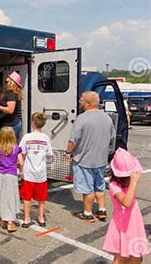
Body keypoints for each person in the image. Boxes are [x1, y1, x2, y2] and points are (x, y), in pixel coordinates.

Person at [66, 91, 115, 222]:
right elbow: (112, 137)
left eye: (81, 100)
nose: (79, 102)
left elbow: (73, 141)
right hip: (101, 160)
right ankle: (102, 210)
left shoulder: (81, 118)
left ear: (88, 103)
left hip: (84, 160)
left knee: (87, 188)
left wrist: (68, 152)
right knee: (99, 185)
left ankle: (87, 213)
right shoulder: (107, 118)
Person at [103, 148, 149, 263]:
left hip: (134, 224)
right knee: (120, 257)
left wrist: (131, 183)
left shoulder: (127, 184)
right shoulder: (114, 186)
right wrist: (133, 183)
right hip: (122, 226)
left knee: (137, 256)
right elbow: (126, 203)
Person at [19, 112, 53, 228]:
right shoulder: (45, 138)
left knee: (26, 197)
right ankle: (41, 217)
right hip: (41, 173)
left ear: (32, 123)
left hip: (28, 173)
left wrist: (21, 164)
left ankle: (27, 218)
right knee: (41, 198)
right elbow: (49, 155)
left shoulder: (27, 137)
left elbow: (21, 152)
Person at [0, 126, 23, 232]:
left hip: (1, 175)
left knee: (2, 196)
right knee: (10, 197)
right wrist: (17, 164)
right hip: (11, 175)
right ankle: (10, 222)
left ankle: (3, 218)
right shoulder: (16, 148)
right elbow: (21, 162)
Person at [0, 71, 23, 140]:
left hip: (11, 124)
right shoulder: (13, 93)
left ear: (12, 82)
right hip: (13, 123)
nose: (6, 83)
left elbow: (10, 110)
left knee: (8, 145)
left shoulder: (11, 94)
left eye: (7, 82)